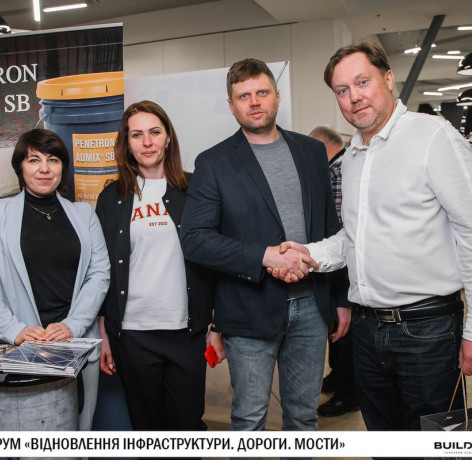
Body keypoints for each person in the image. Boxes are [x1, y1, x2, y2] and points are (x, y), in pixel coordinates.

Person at [270, 40, 472, 432]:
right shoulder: (353, 156)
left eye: (362, 82)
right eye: (342, 90)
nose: (353, 97)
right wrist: (307, 254)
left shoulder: (433, 137)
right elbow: (354, 238)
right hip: (366, 331)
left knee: (433, 446)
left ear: (389, 79)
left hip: (427, 329)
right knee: (384, 442)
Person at [180, 58, 348, 432]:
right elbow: (194, 239)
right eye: (244, 96)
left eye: (261, 92)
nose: (254, 102)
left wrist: (341, 299)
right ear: (231, 105)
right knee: (249, 419)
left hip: (312, 307)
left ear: (277, 96)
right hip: (248, 310)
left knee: (303, 417)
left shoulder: (310, 151)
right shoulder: (213, 162)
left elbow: (331, 227)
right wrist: (265, 256)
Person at [0, 128, 110, 430]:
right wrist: (15, 330)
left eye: (53, 160)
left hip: (75, 343)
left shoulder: (84, 214)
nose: (44, 168)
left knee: (78, 430)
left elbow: (99, 274)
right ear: (20, 167)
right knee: (29, 433)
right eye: (34, 160)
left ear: (62, 168)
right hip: (23, 346)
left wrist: (72, 325)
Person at [95, 100, 219, 431]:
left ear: (168, 138)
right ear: (127, 143)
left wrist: (216, 326)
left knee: (187, 426)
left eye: (154, 132)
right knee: (147, 428)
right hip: (133, 335)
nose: (147, 142)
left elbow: (215, 262)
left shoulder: (195, 190)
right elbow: (103, 271)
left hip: (186, 332)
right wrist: (104, 335)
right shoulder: (112, 198)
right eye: (137, 135)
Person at [308, 125, 359, 417]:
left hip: (343, 263)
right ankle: (339, 378)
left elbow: (338, 226)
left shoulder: (338, 170)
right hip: (335, 262)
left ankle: (348, 392)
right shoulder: (338, 167)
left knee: (346, 331)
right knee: (339, 330)